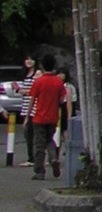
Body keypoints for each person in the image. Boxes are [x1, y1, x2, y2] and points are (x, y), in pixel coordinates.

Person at [26, 54, 66, 183]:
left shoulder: (39, 81)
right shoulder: (58, 82)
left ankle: (40, 171)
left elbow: (32, 100)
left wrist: (27, 117)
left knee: (39, 144)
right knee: (50, 140)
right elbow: (62, 99)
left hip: (39, 117)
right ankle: (53, 158)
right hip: (53, 116)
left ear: (42, 66)